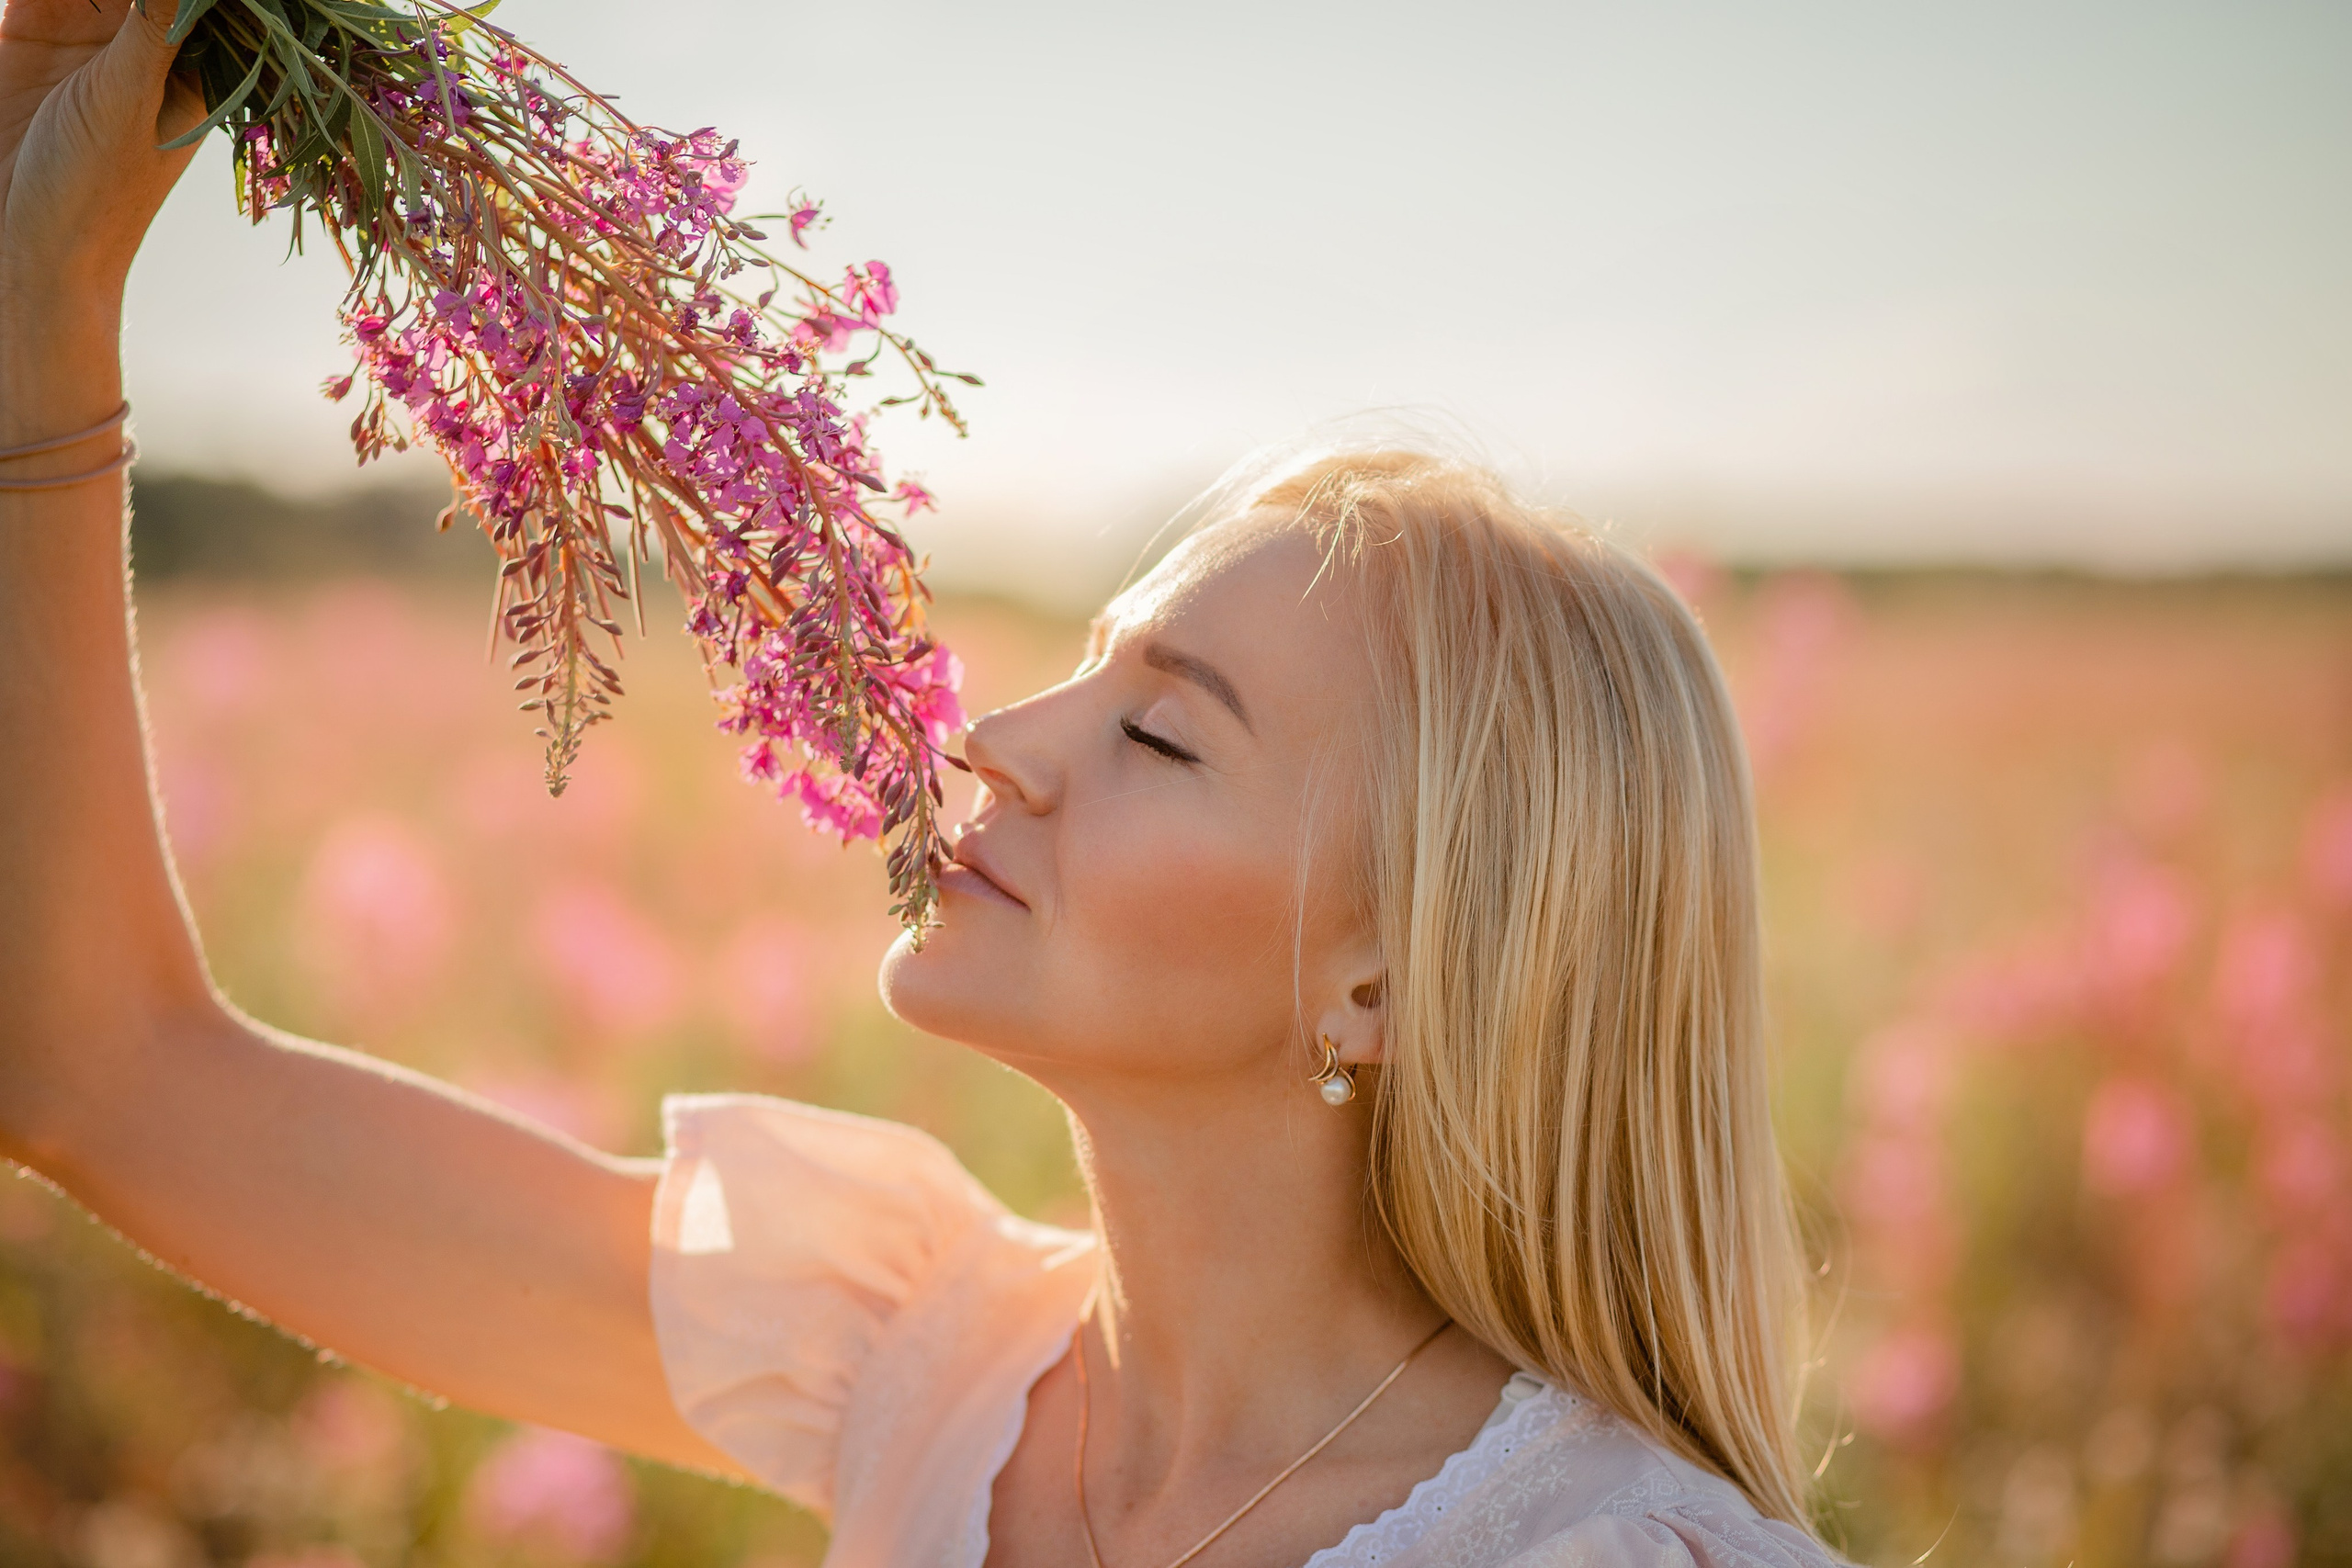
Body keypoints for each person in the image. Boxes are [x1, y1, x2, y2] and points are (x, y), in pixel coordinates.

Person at [0, 5, 1846, 1566]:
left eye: (1158, 731)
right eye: (1084, 663)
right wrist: (45, 290)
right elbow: (99, 1070)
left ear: (1385, 966)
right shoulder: (918, 1361)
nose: (989, 737)